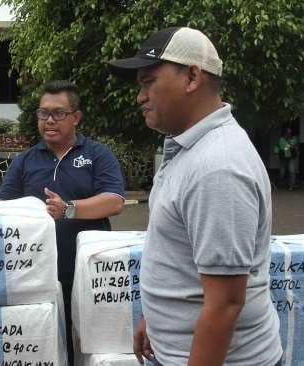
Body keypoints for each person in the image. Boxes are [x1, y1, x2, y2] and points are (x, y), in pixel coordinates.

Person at [108, 27, 282, 365]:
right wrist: (154, 321)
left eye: (149, 82)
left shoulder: (217, 166)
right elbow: (180, 255)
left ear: (191, 77)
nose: (139, 97)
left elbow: (226, 303)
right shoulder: (188, 148)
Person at [0, 80, 125, 364]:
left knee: (88, 343)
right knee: (45, 340)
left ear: (76, 117)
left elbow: (114, 201)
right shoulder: (25, 160)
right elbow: (11, 210)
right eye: (43, 114)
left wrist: (68, 209)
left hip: (87, 270)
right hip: (36, 274)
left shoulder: (97, 155)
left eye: (58, 113)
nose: (49, 121)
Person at [275, 126, 299, 190]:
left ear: (291, 133)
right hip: (283, 158)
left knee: (291, 171)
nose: (288, 133)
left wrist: (290, 144)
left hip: (291, 158)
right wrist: (276, 153)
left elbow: (290, 146)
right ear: (285, 133)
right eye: (287, 132)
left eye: (290, 132)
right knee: (282, 173)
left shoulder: (294, 139)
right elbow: (277, 146)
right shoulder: (281, 139)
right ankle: (277, 183)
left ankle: (291, 186)